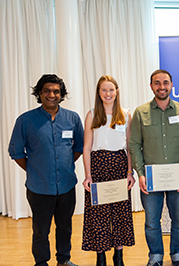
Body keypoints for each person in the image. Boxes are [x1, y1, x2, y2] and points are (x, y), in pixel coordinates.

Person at [8, 74, 84, 266]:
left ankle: (64, 260)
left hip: (67, 185)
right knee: (41, 230)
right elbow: (16, 152)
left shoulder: (72, 118)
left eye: (56, 91)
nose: (52, 94)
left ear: (62, 94)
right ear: (39, 94)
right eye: (47, 91)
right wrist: (36, 169)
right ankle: (41, 262)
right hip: (39, 187)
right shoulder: (25, 120)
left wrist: (64, 166)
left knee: (65, 227)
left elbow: (79, 147)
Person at [129, 69, 179, 266]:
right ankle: (155, 256)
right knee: (151, 222)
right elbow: (134, 144)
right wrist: (140, 173)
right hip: (150, 178)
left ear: (172, 85)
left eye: (165, 82)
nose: (162, 87)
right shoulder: (141, 112)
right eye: (157, 83)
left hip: (176, 178)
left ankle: (178, 255)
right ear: (151, 86)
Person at [81, 75, 135, 266]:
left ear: (117, 91)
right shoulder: (91, 114)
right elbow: (86, 147)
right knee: (99, 213)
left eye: (111, 89)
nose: (108, 93)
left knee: (120, 212)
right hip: (98, 165)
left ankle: (118, 256)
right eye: (104, 90)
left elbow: (129, 146)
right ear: (98, 93)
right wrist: (88, 176)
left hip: (120, 166)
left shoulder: (125, 114)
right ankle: (101, 256)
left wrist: (130, 172)